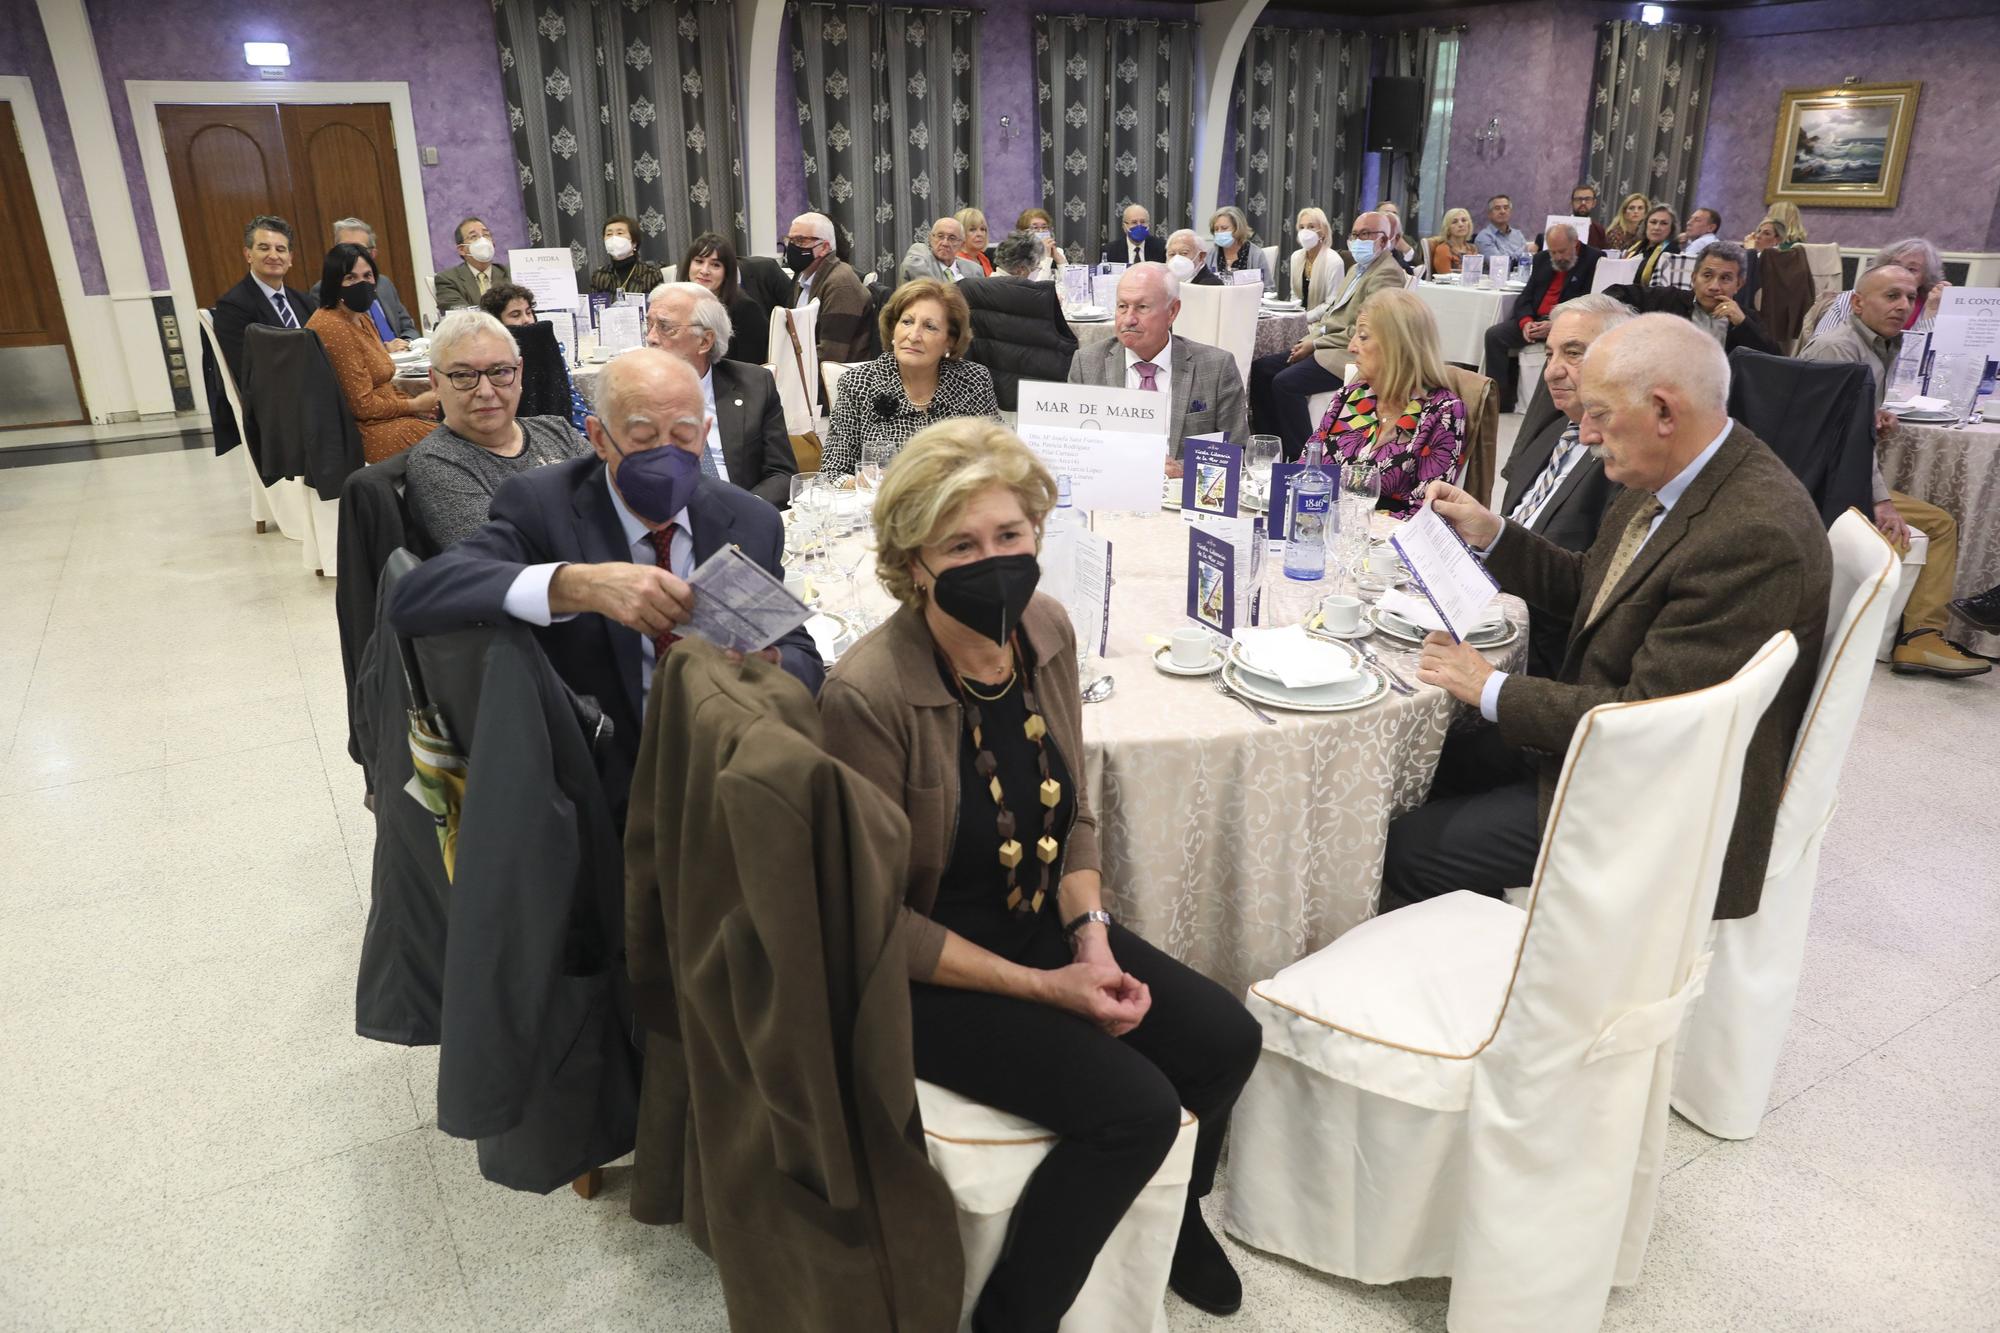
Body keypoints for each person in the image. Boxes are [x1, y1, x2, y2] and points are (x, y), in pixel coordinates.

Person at [818, 419, 1261, 1328]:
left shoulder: (1043, 631)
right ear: (912, 562)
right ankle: (1012, 1316)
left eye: (1011, 535)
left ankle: (1174, 1215)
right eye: (962, 544)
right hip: (919, 971)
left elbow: (1074, 817)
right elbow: (871, 920)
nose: (995, 561)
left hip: (1035, 922)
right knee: (1135, 1109)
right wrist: (1048, 988)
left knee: (1226, 1039)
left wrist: (1089, 942)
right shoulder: (869, 694)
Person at [1381, 313, 1831, 920]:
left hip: (1653, 798)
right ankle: (1481, 920)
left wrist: (1490, 686)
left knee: (1407, 847)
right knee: (1413, 766)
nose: (1585, 434)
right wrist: (1495, 535)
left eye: (1600, 414)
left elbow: (1653, 719)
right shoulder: (1679, 469)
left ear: (1665, 410)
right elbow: (1595, 588)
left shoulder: (1753, 534)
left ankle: (1492, 990)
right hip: (1598, 740)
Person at [387, 349, 824, 820]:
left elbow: (801, 653)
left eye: (682, 437)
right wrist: (576, 586)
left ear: (705, 435)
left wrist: (768, 665)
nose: (665, 455)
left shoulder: (746, 522)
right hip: (600, 781)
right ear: (598, 437)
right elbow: (417, 595)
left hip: (723, 765)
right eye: (641, 437)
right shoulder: (546, 507)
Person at [1800, 266, 1989, 678]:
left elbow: (1849, 422)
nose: (1903, 306)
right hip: (1820, 482)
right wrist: (1880, 500)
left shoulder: (1880, 346)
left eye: (1908, 297)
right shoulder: (1837, 349)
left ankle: (1919, 637)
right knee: (1938, 526)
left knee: (1937, 521)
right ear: (1858, 302)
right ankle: (1919, 638)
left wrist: (1874, 415)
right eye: (1890, 296)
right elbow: (1827, 436)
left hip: (1841, 473)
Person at [1497, 294, 1633, 677]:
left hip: (1533, 649)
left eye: (1573, 353)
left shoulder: (1628, 461)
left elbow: (1590, 593)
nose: (1551, 372)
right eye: (1549, 354)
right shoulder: (1556, 428)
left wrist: (1494, 538)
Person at [403, 309, 587, 548]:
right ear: (435, 382)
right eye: (463, 376)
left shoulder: (557, 431)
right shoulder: (437, 461)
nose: (486, 392)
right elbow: (500, 558)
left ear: (519, 373)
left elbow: (616, 506)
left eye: (500, 371)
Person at [1249, 209, 1411, 459]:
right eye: (1355, 234)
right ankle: (1269, 449)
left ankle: (1305, 457)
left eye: (1365, 234)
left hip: (1346, 351)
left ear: (1383, 239)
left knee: (1286, 383)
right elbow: (1332, 315)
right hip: (1326, 344)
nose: (1358, 240)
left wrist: (1315, 344)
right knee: (1261, 369)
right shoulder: (1357, 268)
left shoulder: (1387, 273)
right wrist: (1311, 339)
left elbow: (1367, 330)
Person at [1068, 263, 1249, 476]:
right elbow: (1074, 451)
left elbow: (1238, 451)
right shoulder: (1087, 364)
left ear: (1172, 311)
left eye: (1142, 307)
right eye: (1122, 306)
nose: (1129, 319)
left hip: (1179, 497)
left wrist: (1183, 469)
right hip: (1111, 491)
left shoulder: (1216, 367)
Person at [1304, 289, 1466, 516]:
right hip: (1323, 530)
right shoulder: (1349, 397)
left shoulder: (1443, 412)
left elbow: (1427, 513)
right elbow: (1306, 468)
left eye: (1363, 336)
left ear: (1397, 345)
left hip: (1386, 545)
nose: (1351, 347)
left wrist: (1351, 526)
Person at [820, 278, 1000, 476]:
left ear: (950, 340)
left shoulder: (973, 381)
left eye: (930, 327)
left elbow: (997, 460)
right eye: (907, 322)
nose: (913, 336)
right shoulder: (859, 384)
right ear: (893, 329)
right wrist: (861, 483)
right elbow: (832, 472)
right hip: (883, 503)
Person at [642, 281, 797, 507]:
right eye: (649, 324)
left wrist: (745, 509)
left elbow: (782, 473)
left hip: (743, 514)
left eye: (665, 327)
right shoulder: (634, 393)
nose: (651, 337)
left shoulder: (754, 385)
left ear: (705, 341)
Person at [306, 242, 437, 462]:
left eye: (367, 276)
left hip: (387, 419)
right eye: (350, 278)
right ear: (333, 282)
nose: (362, 284)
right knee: (457, 444)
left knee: (461, 431)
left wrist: (415, 408)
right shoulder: (333, 326)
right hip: (366, 433)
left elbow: (383, 385)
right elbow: (362, 407)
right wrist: (414, 404)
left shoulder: (360, 317)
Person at [204, 214, 314, 454]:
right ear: (248, 254)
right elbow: (249, 369)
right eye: (263, 247)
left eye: (280, 249)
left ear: (290, 258)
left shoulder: (304, 302)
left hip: (315, 395)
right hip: (277, 408)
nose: (274, 255)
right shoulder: (233, 306)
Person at [1481, 222, 1598, 412]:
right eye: (1553, 252)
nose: (1558, 257)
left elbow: (1588, 302)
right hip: (1536, 320)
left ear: (1575, 243)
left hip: (1566, 322)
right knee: (1494, 335)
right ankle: (1499, 402)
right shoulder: (1542, 259)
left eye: (1562, 251)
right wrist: (1526, 322)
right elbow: (1525, 298)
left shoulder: (1593, 259)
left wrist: (1555, 325)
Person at [958, 231, 1080, 410]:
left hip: (981, 390)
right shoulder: (1036, 296)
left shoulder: (970, 289)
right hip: (1033, 396)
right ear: (1023, 269)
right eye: (1036, 268)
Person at [1604, 242, 1779, 356]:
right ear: (1694, 278)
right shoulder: (1668, 300)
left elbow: (1774, 360)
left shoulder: (1747, 319)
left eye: (1725, 278)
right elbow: (1615, 293)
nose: (1714, 286)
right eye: (1707, 275)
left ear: (1739, 285)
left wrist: (1743, 324)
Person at [479, 281, 592, 433]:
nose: (526, 320)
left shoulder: (546, 343)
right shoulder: (491, 356)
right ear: (497, 321)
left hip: (568, 419)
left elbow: (567, 390)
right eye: (515, 315)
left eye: (529, 312)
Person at [1812, 238, 1948, 340]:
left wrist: (1931, 311)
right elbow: (1820, 344)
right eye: (1895, 265)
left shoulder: (1931, 306)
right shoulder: (1851, 299)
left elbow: (1924, 362)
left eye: (1912, 269)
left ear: (1926, 277)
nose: (1901, 273)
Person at [783, 211, 873, 363]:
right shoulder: (803, 276)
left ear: (824, 247)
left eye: (800, 240)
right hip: (804, 372)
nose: (792, 247)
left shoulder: (841, 284)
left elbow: (831, 356)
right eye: (789, 240)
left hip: (836, 381)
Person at [680, 231, 769, 365]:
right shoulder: (680, 302)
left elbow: (751, 368)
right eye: (699, 261)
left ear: (727, 272)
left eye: (715, 265)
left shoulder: (745, 309)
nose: (704, 271)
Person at [330, 217, 418, 346]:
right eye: (346, 248)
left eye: (359, 250)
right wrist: (385, 349)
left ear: (372, 254)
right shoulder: (327, 289)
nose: (352, 256)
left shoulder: (384, 283)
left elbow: (409, 328)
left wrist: (405, 343)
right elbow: (341, 343)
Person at [435, 217, 510, 311]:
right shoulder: (447, 279)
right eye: (474, 236)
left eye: (486, 235)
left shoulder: (509, 272)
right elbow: (460, 315)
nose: (483, 240)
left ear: (493, 244)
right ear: (462, 250)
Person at [587, 214, 664, 296]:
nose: (613, 238)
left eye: (619, 233)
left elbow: (660, 305)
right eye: (609, 234)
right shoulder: (599, 276)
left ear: (634, 242)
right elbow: (594, 306)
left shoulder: (651, 273)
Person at [899, 216, 982, 286]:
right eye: (940, 236)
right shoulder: (920, 257)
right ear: (931, 238)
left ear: (962, 244)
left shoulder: (975, 270)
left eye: (952, 238)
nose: (945, 243)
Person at [1288, 207, 1344, 309]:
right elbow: (1294, 295)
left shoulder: (1334, 261)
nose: (1305, 232)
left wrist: (1306, 318)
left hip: (1322, 321)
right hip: (1298, 317)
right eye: (1301, 227)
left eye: (1311, 227)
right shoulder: (1295, 257)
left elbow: (1331, 303)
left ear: (1323, 232)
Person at [1207, 206, 1271, 288]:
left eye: (1224, 228)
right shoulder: (1209, 255)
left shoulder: (1256, 254)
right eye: (1216, 229)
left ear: (1238, 228)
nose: (1219, 232)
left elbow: (1268, 288)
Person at [1473, 194, 1536, 265]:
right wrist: (1523, 252)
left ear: (1510, 212)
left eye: (1506, 208)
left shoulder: (1518, 234)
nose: (1502, 211)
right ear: (1489, 214)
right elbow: (1499, 264)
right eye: (1497, 208)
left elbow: (1528, 261)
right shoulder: (1483, 237)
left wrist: (1523, 255)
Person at [1626, 205, 1680, 286]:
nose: (1657, 227)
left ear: (1671, 228)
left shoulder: (1672, 252)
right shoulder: (1637, 246)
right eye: (1653, 222)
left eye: (1664, 223)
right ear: (1645, 225)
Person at [1548, 182, 1609, 250]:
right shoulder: (1559, 227)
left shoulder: (1599, 230)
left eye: (1587, 199)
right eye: (1579, 199)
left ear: (1593, 203)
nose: (1583, 203)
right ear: (1572, 202)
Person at [1109, 202, 1166, 266]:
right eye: (1134, 222)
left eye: (1143, 222)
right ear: (1124, 226)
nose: (1139, 226)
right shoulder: (1110, 251)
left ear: (1149, 224)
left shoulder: (1162, 248)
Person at [1016, 206, 1066, 279]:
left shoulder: (1057, 251)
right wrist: (1047, 257)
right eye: (1035, 228)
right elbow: (1037, 287)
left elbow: (1072, 283)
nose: (1041, 231)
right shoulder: (1019, 256)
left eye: (1044, 227)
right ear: (1023, 232)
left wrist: (1059, 260)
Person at [1430, 207, 1477, 276]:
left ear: (1469, 225)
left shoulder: (1472, 249)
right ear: (1447, 228)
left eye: (1464, 220)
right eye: (1454, 222)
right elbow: (1446, 278)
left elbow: (1475, 275)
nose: (1461, 225)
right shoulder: (1443, 249)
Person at [1375, 201, 1420, 271]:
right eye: (1387, 212)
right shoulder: (1370, 237)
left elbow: (1421, 270)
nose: (1392, 216)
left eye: (1394, 213)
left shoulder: (1407, 240)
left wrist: (1407, 250)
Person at [955, 207, 994, 275]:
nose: (979, 234)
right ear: (960, 233)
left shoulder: (983, 258)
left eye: (982, 229)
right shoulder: (956, 261)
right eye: (972, 230)